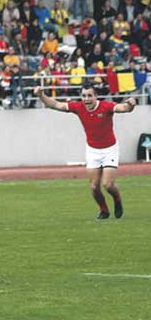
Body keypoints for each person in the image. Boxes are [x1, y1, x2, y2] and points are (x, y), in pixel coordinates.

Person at [34, 83, 136, 219]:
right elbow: (55, 105)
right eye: (84, 96)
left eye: (89, 96)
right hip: (93, 150)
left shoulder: (106, 106)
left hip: (109, 149)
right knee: (94, 187)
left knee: (108, 184)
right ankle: (104, 211)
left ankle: (117, 199)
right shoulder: (78, 107)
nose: (86, 99)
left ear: (96, 96)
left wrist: (131, 104)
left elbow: (124, 108)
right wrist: (41, 95)